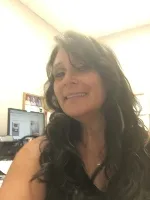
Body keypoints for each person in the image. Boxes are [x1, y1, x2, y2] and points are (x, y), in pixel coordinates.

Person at [0, 31, 150, 200]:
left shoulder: (144, 148)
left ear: (108, 78)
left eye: (82, 67)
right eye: (59, 74)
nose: (67, 80)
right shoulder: (37, 154)